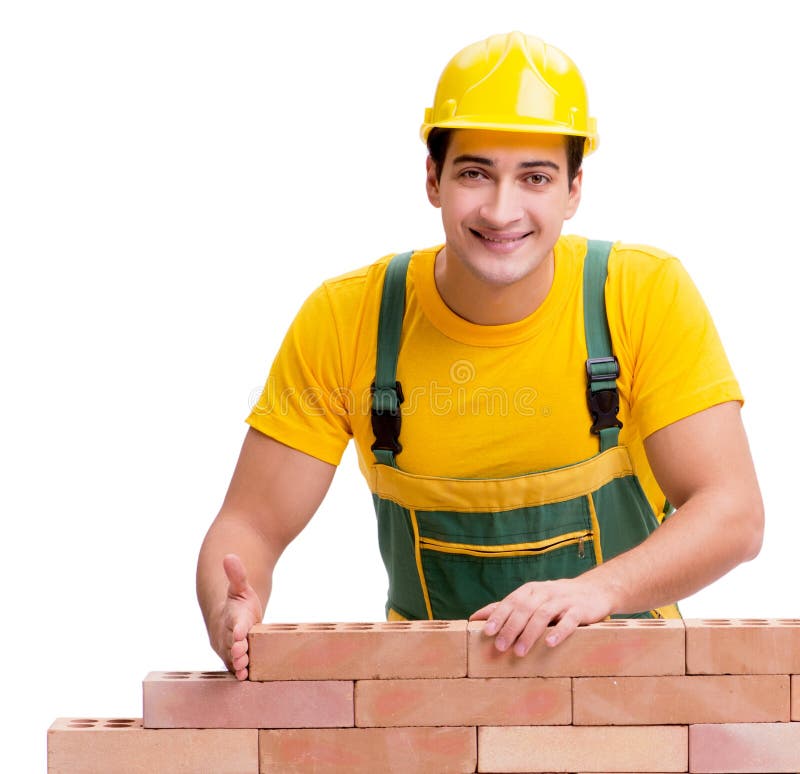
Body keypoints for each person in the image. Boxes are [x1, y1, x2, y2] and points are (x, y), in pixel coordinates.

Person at [196, 31, 764, 680]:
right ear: (433, 179)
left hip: (632, 701)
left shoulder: (637, 296)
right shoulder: (348, 319)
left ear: (574, 189)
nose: (501, 210)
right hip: (430, 709)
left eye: (535, 177)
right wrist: (229, 608)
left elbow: (733, 514)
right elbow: (249, 526)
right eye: (475, 173)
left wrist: (595, 592)